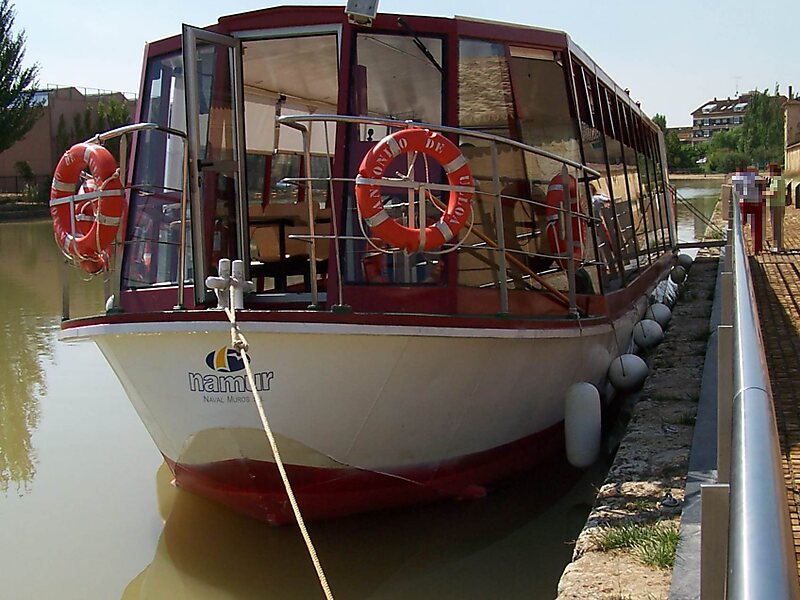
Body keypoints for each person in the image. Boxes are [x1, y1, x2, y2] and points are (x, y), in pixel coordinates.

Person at [765, 163, 787, 252]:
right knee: (777, 225)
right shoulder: (776, 179)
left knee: (776, 226)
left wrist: (762, 194)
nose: (769, 173)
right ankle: (778, 245)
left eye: (770, 170)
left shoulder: (778, 179)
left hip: (777, 205)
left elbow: (774, 193)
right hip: (777, 204)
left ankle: (778, 247)